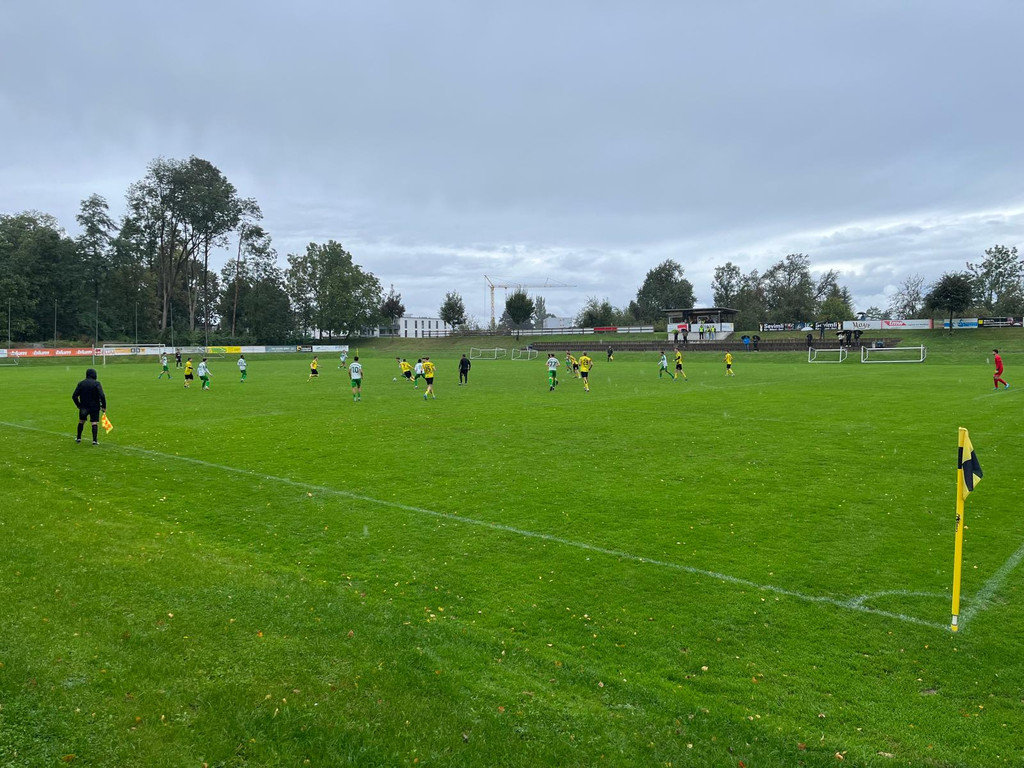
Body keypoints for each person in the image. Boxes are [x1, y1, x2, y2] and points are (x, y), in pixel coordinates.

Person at [72, 367, 107, 445]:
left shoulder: (81, 383)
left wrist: (78, 405)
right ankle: (94, 440)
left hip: (84, 406)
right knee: (94, 422)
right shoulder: (96, 383)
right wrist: (104, 406)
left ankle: (78, 438)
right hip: (95, 406)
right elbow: (102, 395)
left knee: (81, 421)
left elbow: (74, 396)